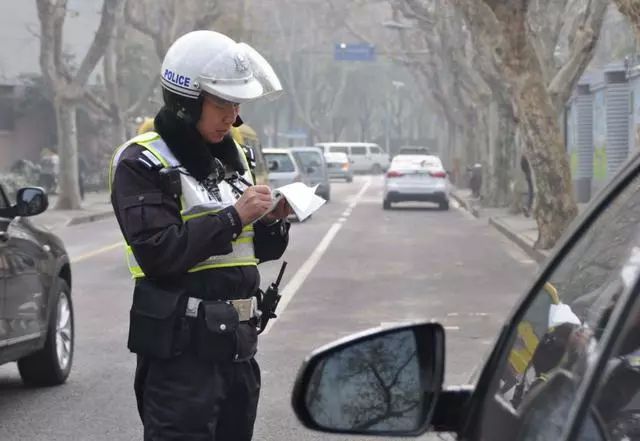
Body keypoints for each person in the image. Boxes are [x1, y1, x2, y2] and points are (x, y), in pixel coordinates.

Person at [109, 30, 290, 440]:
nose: (233, 116)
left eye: (237, 103)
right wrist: (234, 216)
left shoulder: (233, 157)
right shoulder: (142, 162)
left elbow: (256, 252)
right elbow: (158, 253)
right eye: (222, 103)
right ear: (186, 103)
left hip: (238, 348)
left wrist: (272, 220)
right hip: (181, 356)